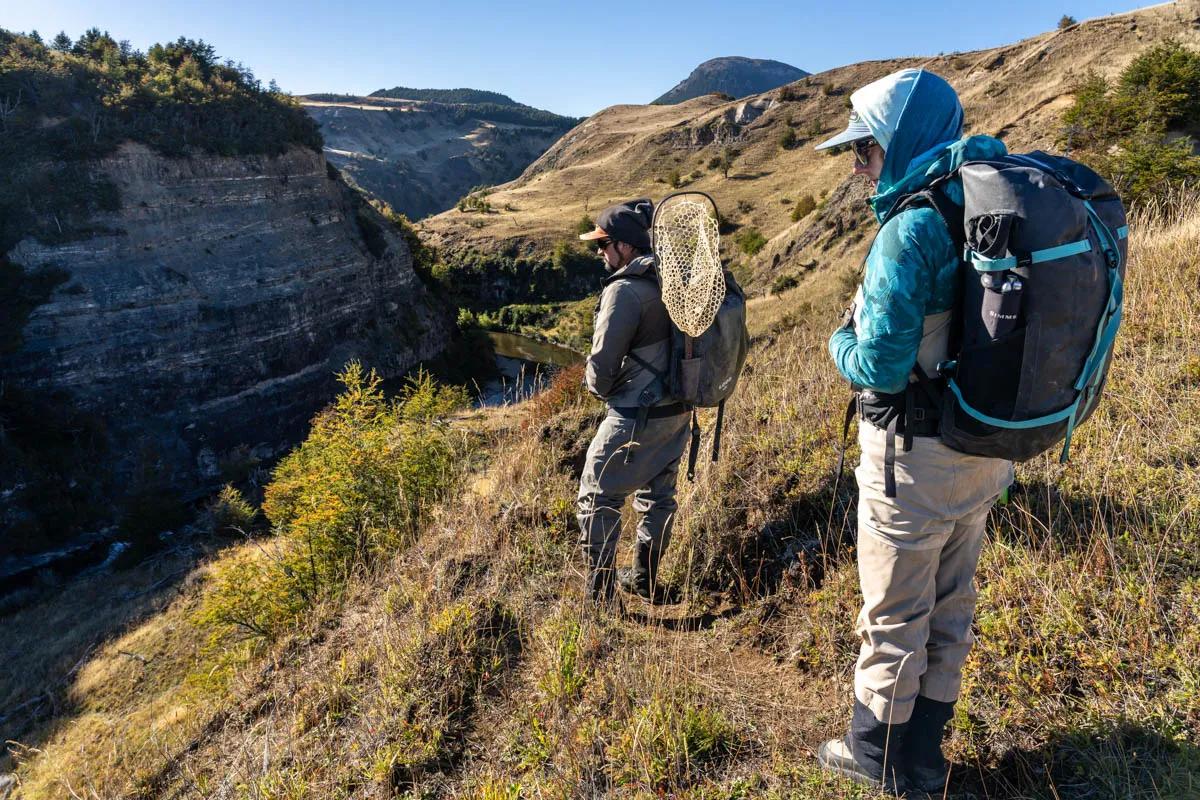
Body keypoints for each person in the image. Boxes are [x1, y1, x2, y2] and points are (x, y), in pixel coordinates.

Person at [811, 69, 1015, 795]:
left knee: (894, 614)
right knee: (952, 604)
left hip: (913, 459)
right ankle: (925, 755)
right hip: (982, 448)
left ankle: (879, 760)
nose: (858, 167)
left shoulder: (912, 226)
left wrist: (839, 338)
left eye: (864, 150)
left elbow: (882, 366)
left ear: (897, 144)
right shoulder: (986, 200)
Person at [576, 199, 691, 609]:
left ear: (625, 247)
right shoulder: (673, 280)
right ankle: (644, 577)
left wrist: (602, 389)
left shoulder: (625, 291)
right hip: (678, 413)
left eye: (604, 245)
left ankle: (602, 595)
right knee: (658, 498)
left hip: (634, 415)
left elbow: (602, 364)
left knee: (596, 496)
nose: (601, 254)